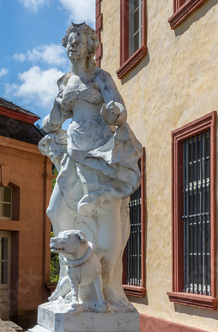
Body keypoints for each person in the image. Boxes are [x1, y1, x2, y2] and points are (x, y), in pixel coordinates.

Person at [39, 22, 142, 310]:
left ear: (89, 46)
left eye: (79, 41)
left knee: (104, 211)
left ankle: (106, 288)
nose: (73, 45)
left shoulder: (100, 77)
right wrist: (50, 122)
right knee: (56, 210)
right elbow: (55, 119)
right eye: (70, 41)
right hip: (73, 150)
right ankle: (69, 280)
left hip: (99, 147)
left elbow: (117, 108)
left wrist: (114, 112)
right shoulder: (64, 83)